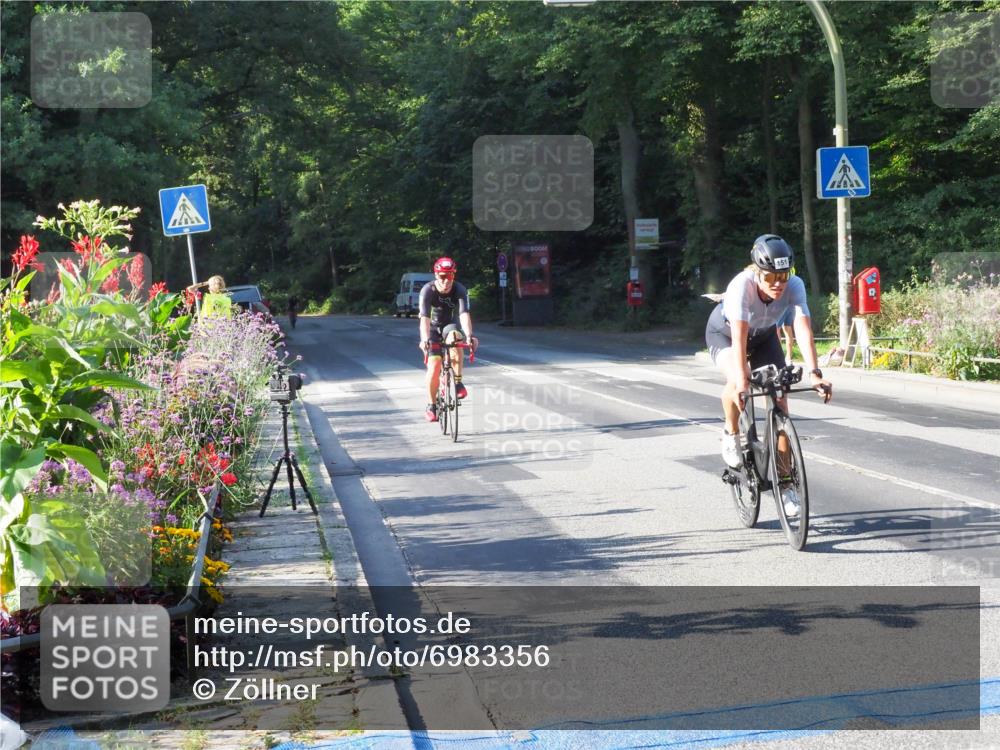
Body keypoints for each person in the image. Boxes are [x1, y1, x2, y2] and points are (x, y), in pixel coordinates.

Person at [705, 234, 832, 517]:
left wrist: (815, 373)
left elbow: (802, 329)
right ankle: (731, 432)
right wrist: (742, 380)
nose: (778, 283)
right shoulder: (741, 286)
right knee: (740, 377)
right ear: (757, 273)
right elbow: (738, 338)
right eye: (770, 277)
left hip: (763, 338)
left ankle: (786, 483)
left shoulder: (795, 286)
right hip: (725, 335)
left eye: (783, 275)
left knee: (781, 403)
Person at [418, 257, 478, 423]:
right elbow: (424, 318)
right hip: (432, 328)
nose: (446, 281)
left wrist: (469, 335)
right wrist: (424, 339)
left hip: (448, 326)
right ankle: (431, 405)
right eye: (443, 276)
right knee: (435, 364)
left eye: (450, 276)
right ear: (436, 275)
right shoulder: (428, 290)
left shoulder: (459, 289)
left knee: (456, 338)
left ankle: (458, 382)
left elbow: (464, 313)